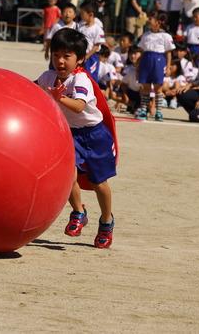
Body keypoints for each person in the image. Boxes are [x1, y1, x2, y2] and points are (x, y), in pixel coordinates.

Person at [36, 28, 116, 248]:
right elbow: (32, 89)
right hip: (70, 134)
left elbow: (80, 106)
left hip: (94, 135)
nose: (60, 61)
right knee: (68, 176)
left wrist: (58, 98)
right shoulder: (48, 77)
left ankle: (106, 221)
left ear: (80, 58)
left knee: (99, 183)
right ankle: (79, 212)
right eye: (56, 55)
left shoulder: (80, 79)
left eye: (66, 56)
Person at [135, 11, 175, 121]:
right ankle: (143, 110)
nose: (149, 20)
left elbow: (168, 52)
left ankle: (158, 111)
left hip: (158, 61)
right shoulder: (146, 35)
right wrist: (138, 65)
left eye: (151, 19)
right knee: (145, 87)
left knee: (158, 88)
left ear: (158, 22)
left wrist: (168, 66)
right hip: (146, 61)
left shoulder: (165, 36)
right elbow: (142, 50)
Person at [77, 3, 106, 81]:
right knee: (79, 76)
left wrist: (87, 56)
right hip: (80, 56)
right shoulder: (81, 28)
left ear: (91, 14)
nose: (81, 15)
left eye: (82, 13)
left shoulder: (97, 29)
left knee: (91, 77)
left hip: (92, 57)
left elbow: (96, 46)